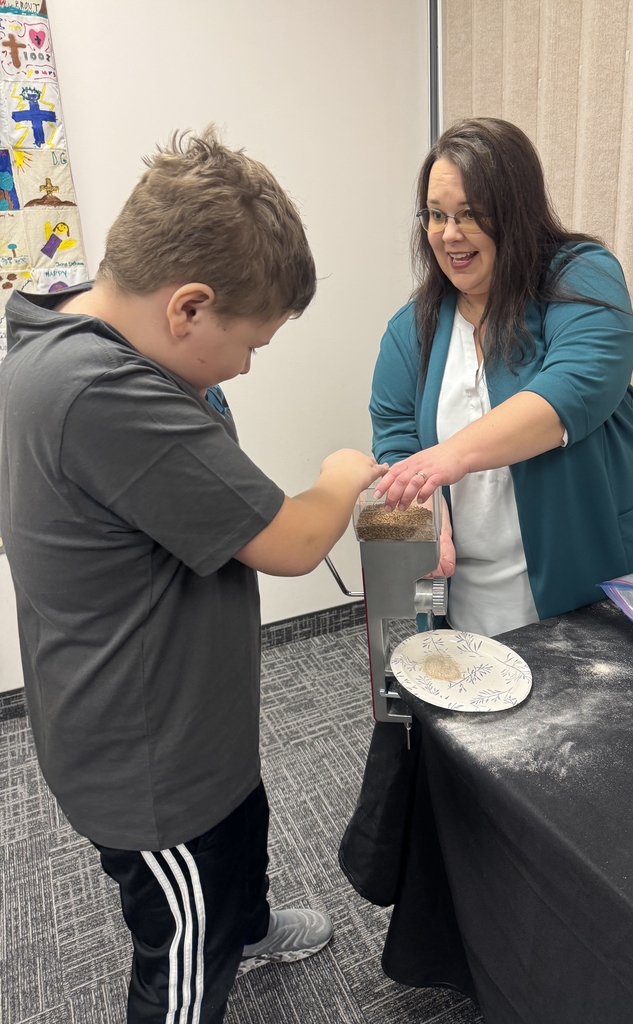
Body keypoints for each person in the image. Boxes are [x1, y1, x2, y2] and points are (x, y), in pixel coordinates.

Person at [0, 130, 383, 1024]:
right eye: (251, 344)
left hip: (184, 725)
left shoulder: (60, 338)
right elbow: (289, 542)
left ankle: (242, 929)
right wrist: (342, 474)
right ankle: (211, 954)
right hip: (151, 769)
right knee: (179, 946)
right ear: (189, 308)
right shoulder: (104, 392)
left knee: (237, 829)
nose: (249, 365)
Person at [371, 118, 633, 637]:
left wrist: (449, 457)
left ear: (516, 211)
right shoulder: (411, 328)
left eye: (470, 216)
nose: (449, 235)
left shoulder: (581, 277)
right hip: (471, 589)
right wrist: (425, 511)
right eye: (436, 215)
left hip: (589, 574)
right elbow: (396, 433)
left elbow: (576, 388)